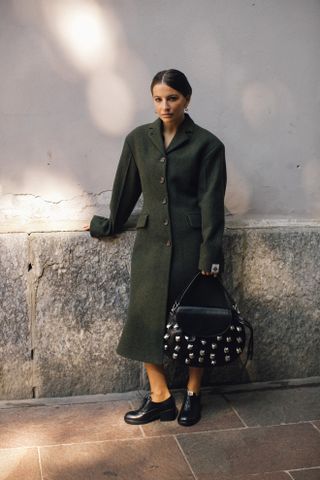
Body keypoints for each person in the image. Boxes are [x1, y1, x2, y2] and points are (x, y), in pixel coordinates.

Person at [83, 69, 226, 426]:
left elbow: (212, 203)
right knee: (144, 321)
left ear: (187, 99)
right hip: (149, 246)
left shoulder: (208, 145)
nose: (165, 105)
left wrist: (210, 254)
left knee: (195, 321)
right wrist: (110, 224)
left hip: (191, 247)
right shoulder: (137, 139)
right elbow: (126, 189)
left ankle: (193, 394)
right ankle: (160, 396)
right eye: (158, 99)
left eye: (173, 98)